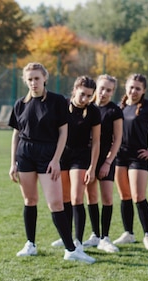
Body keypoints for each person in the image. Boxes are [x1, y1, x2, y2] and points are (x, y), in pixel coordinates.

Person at [9, 63, 94, 264]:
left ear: (45, 78)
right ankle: (30, 244)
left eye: (37, 78)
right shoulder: (20, 103)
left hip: (48, 154)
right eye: (29, 79)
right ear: (25, 81)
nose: (33, 82)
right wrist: (13, 163)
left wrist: (56, 160)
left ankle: (70, 249)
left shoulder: (57, 101)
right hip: (25, 154)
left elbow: (63, 132)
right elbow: (16, 135)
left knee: (55, 203)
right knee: (29, 200)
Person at [113, 73, 148, 250]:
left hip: (138, 157)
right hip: (120, 156)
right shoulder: (119, 107)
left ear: (144, 90)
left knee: (138, 196)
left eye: (138, 88)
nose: (133, 91)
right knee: (125, 197)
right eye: (131, 87)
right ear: (126, 87)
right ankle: (128, 233)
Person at [58, 76, 101, 251]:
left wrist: (92, 167)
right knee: (65, 199)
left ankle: (78, 241)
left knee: (77, 198)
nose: (85, 99)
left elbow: (96, 141)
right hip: (62, 156)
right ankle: (66, 237)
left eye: (89, 96)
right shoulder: (62, 105)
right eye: (83, 94)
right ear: (75, 89)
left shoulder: (93, 111)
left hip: (81, 157)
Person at [82, 74, 123, 253]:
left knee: (106, 197)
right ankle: (95, 235)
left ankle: (105, 237)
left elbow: (118, 139)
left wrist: (108, 162)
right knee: (91, 198)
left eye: (109, 90)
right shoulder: (87, 108)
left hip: (106, 160)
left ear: (113, 92)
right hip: (88, 159)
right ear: (96, 88)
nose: (104, 93)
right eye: (102, 88)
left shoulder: (114, 111)